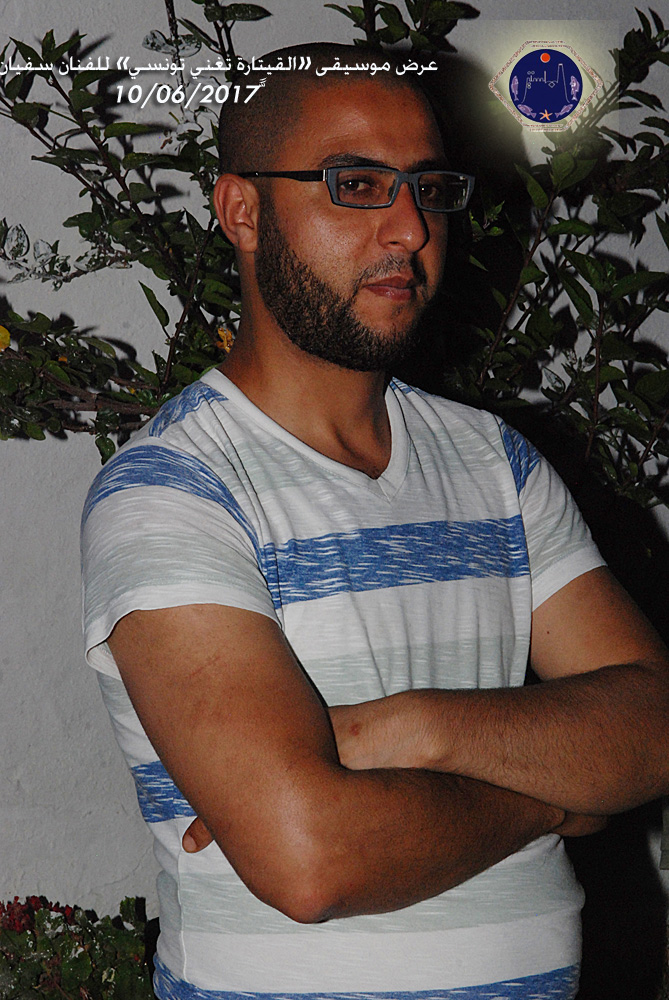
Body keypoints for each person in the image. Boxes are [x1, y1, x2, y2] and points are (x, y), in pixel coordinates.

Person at [81, 42, 669, 1000]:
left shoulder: (493, 458)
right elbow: (311, 860)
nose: (408, 227)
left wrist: (408, 729)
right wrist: (556, 802)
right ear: (241, 211)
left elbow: (651, 726)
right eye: (354, 185)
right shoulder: (172, 487)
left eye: (428, 189)